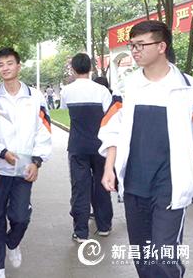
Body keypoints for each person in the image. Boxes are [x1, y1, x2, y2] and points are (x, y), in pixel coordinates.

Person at [100, 20, 193, 278]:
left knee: (163, 255)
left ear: (161, 46)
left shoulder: (189, 88)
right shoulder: (127, 86)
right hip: (134, 181)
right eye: (131, 45)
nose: (134, 50)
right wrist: (108, 168)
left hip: (171, 182)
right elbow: (112, 128)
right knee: (143, 255)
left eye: (140, 45)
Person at [0, 47, 52, 278]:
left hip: (24, 167)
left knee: (20, 216)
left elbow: (43, 130)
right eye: (1, 64)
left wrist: (36, 160)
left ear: (19, 66)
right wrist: (2, 152)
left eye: (9, 63)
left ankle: (12, 242)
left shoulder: (35, 97)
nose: (5, 68)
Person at [60, 53, 113, 243]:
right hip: (100, 145)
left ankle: (81, 231)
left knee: (80, 188)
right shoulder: (102, 91)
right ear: (90, 68)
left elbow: (64, 109)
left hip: (77, 146)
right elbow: (109, 116)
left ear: (73, 69)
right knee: (102, 184)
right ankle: (104, 225)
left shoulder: (67, 91)